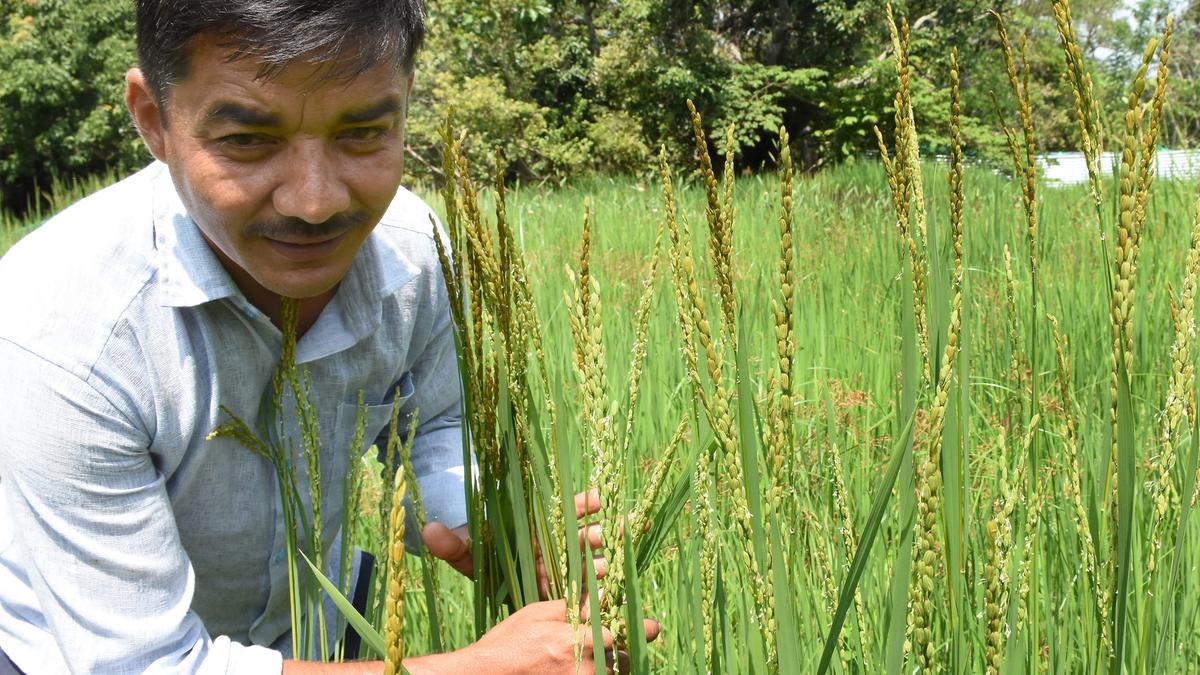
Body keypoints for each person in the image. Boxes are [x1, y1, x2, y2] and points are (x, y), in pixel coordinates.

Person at [0, 1, 657, 673]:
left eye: (363, 134)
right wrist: (481, 668)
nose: (314, 202)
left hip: (322, 639)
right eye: (248, 141)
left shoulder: (413, 253)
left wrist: (487, 533)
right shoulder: (63, 329)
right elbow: (141, 665)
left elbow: (436, 423)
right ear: (153, 120)